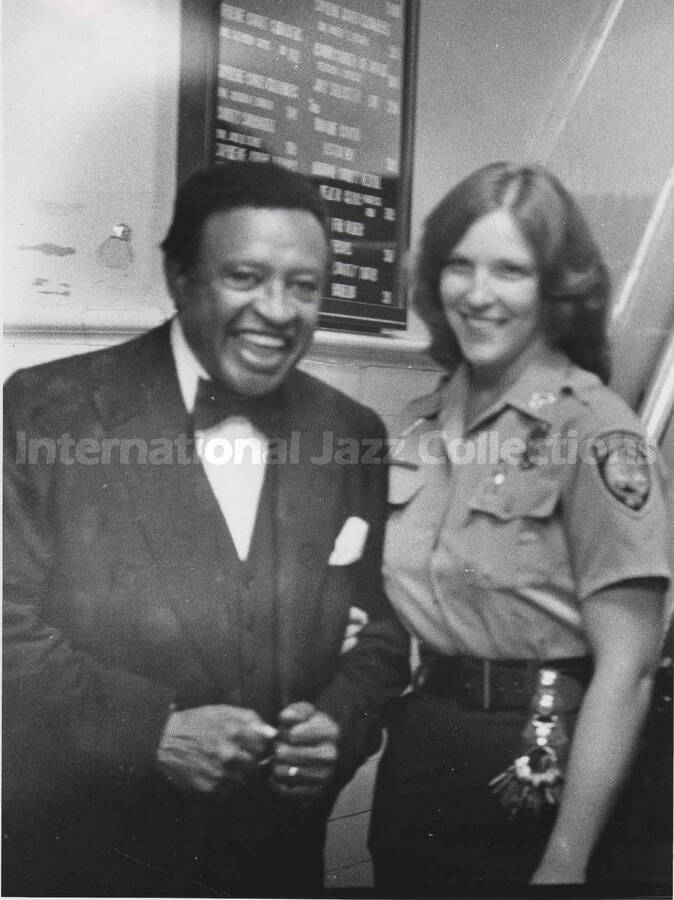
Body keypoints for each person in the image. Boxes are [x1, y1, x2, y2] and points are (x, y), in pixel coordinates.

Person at [2, 160, 409, 898]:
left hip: (276, 866)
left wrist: (340, 724)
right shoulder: (49, 408)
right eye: (246, 277)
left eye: (304, 286)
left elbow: (382, 630)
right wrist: (148, 733)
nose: (279, 311)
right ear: (181, 279)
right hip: (93, 861)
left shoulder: (352, 432)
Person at [368, 162, 671, 895]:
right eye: (460, 266)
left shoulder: (597, 431)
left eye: (510, 270)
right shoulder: (419, 422)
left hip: (540, 760)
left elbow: (626, 674)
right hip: (422, 746)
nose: (478, 294)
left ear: (556, 290)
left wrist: (563, 863)